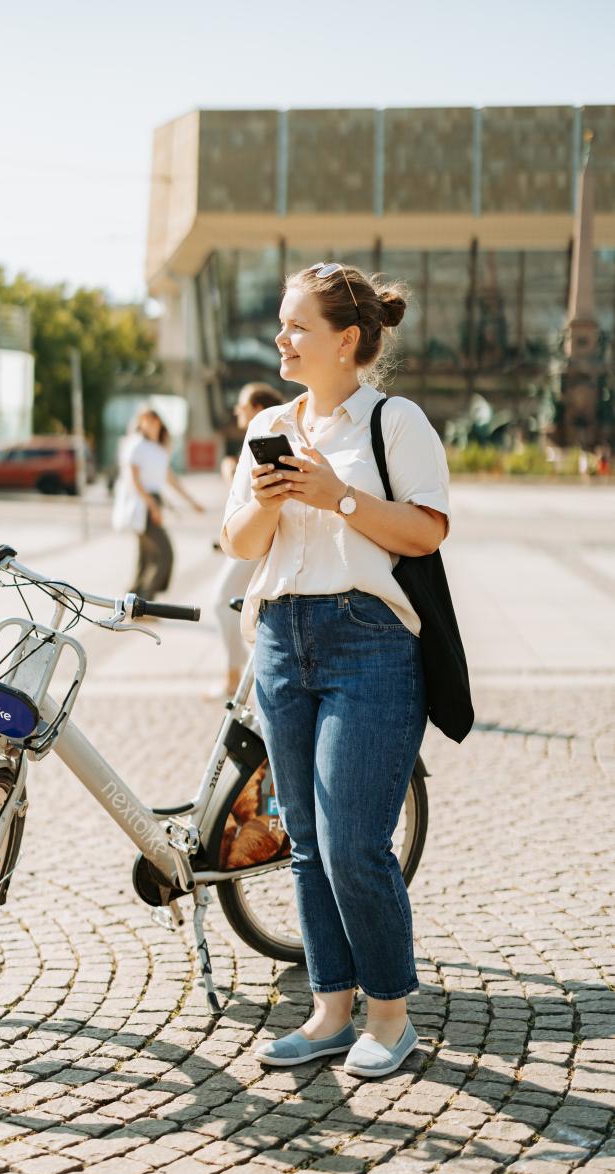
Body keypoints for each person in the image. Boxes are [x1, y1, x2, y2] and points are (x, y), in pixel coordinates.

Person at [221, 261, 450, 1079]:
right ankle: (328, 1010)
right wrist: (268, 499)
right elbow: (238, 543)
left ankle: (389, 1016)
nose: (280, 338)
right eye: (281, 324)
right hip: (281, 638)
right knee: (307, 843)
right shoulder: (269, 424)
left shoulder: (394, 422)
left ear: (345, 339)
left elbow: (426, 532)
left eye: (296, 326)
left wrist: (336, 496)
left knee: (354, 842)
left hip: (369, 643)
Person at [211, 383, 283, 697]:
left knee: (223, 599)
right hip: (255, 538)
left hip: (261, 539)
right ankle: (238, 673)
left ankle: (236, 675)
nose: (236, 411)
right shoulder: (261, 436)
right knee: (236, 603)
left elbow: (263, 494)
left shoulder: (268, 436)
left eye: (242, 406)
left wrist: (230, 473)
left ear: (257, 409)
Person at [117, 408, 204, 601]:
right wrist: (152, 506)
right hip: (143, 504)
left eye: (148, 420)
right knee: (164, 554)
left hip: (152, 501)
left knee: (146, 557)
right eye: (141, 421)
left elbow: (170, 479)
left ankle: (133, 599)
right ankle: (145, 598)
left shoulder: (159, 448)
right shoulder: (136, 445)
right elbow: (133, 480)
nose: (145, 425)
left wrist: (192, 502)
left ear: (157, 421)